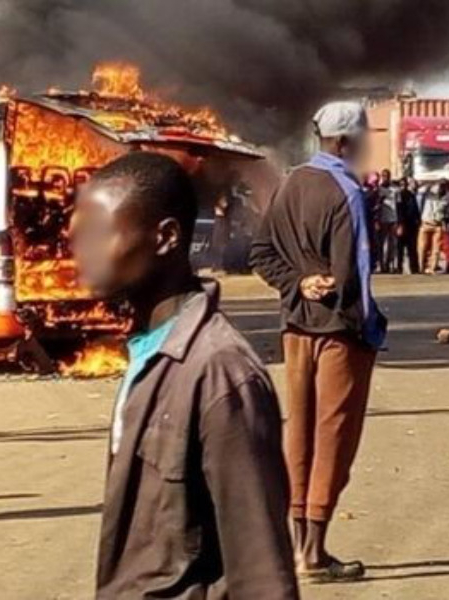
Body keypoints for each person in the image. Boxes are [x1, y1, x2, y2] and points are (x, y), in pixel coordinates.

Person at [70, 151, 298, 598]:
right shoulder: (148, 351)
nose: (82, 253)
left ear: (166, 237)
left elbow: (261, 569)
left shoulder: (220, 373)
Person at [251, 101, 386, 582]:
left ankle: (295, 549)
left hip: (295, 331)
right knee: (333, 440)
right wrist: (368, 331)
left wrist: (297, 282)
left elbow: (260, 253)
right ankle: (315, 553)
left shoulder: (289, 184)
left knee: (299, 436)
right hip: (337, 334)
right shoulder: (345, 191)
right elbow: (356, 276)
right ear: (346, 143)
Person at [417, 181, 449, 274]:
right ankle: (421, 267)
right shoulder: (427, 197)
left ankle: (432, 268)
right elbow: (420, 191)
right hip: (425, 224)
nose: (440, 189)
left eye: (442, 187)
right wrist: (430, 184)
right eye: (439, 187)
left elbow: (446, 213)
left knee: (436, 249)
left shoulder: (445, 199)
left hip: (437, 225)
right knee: (422, 247)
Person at [396, 178, 421, 274]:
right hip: (402, 224)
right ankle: (399, 268)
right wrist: (400, 225)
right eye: (402, 184)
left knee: (412, 248)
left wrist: (418, 220)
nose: (404, 186)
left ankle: (414, 268)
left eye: (405, 184)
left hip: (412, 225)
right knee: (400, 249)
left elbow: (415, 209)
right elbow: (399, 211)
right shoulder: (399, 195)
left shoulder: (411, 195)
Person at [375, 171, 398, 273]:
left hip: (393, 219)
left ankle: (391, 264)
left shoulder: (395, 190)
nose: (385, 178)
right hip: (382, 220)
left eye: (387, 176)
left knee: (392, 244)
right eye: (383, 176)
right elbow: (376, 206)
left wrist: (399, 221)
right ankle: (382, 265)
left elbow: (399, 205)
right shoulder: (379, 190)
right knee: (382, 244)